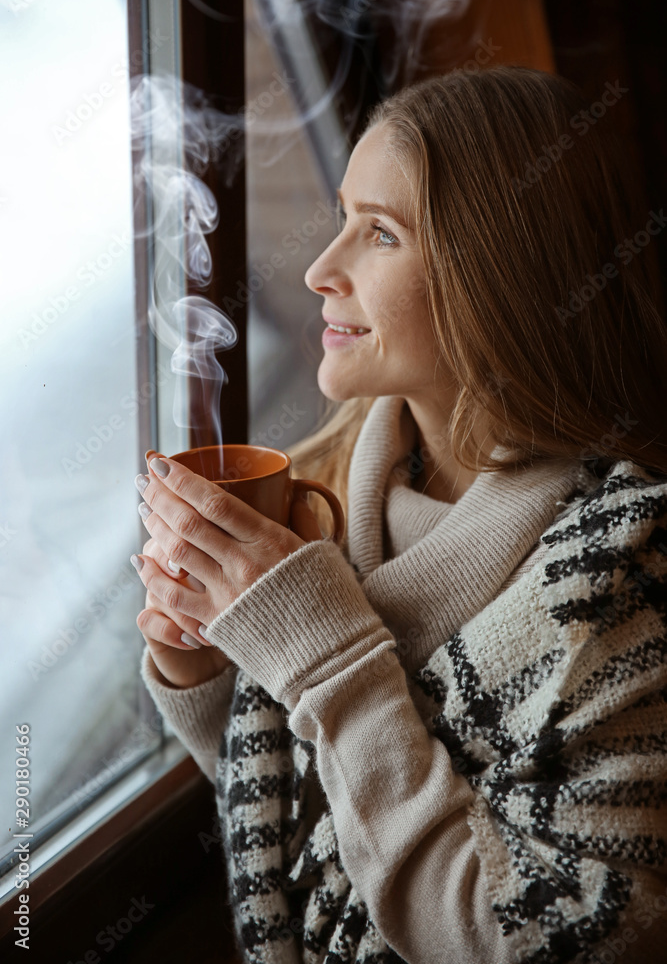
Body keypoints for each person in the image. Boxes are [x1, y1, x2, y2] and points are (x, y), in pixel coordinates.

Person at [132, 65, 667, 964]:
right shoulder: (318, 494)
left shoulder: (624, 576)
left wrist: (320, 653)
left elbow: (535, 941)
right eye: (342, 216)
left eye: (377, 233)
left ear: (500, 275)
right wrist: (208, 675)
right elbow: (326, 835)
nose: (318, 269)